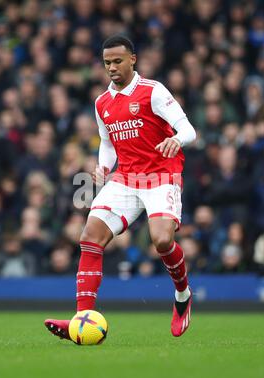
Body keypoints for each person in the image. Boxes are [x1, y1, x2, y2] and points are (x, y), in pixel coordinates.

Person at [44, 35, 196, 339]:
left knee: (162, 241)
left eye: (117, 61)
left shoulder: (153, 92)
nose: (111, 67)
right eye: (106, 63)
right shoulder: (102, 103)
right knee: (89, 237)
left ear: (132, 60)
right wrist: (103, 165)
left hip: (161, 175)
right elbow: (107, 141)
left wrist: (175, 139)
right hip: (126, 178)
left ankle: (182, 295)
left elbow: (188, 129)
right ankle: (81, 319)